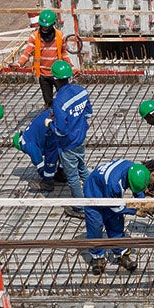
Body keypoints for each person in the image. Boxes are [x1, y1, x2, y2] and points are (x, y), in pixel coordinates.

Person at [82, 161, 151, 274]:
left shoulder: (134, 170)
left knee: (116, 224)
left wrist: (142, 202)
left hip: (107, 192)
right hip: (93, 195)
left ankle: (121, 254)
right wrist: (135, 211)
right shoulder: (114, 185)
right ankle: (97, 258)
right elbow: (116, 207)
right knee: (95, 227)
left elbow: (137, 188)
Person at [48, 59, 90, 216]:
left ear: (55, 79)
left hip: (68, 144)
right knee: (82, 167)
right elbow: (88, 113)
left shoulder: (58, 100)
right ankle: (96, 192)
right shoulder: (81, 91)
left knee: (72, 177)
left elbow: (61, 130)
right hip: (81, 137)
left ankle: (80, 207)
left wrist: (50, 124)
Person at [10, 9, 72, 108]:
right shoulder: (35, 37)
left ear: (52, 24)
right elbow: (27, 53)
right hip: (43, 75)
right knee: (48, 102)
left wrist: (71, 67)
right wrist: (19, 63)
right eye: (42, 26)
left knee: (64, 99)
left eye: (46, 27)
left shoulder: (60, 36)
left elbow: (64, 53)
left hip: (59, 74)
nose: (44, 29)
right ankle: (51, 118)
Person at [13, 109, 61, 188]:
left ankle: (48, 183)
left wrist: (44, 175)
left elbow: (38, 160)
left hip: (52, 129)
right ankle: (62, 173)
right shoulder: (28, 133)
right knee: (63, 149)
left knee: (51, 155)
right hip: (56, 117)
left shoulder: (26, 143)